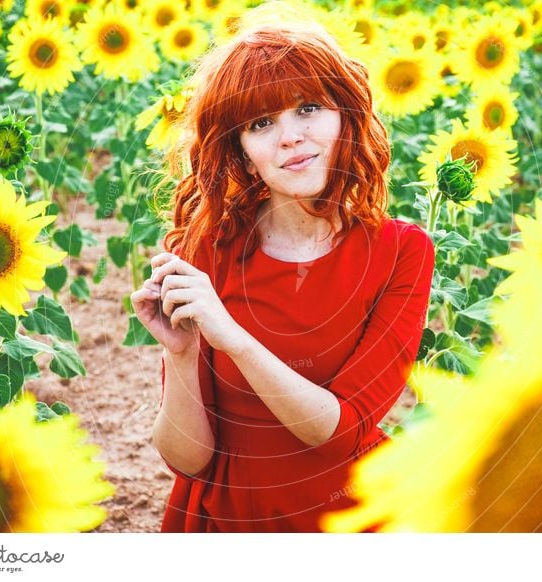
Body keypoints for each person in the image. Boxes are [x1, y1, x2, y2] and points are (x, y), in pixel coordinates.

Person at [130, 15, 435, 533]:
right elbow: (188, 460)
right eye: (261, 123)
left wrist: (232, 337)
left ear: (345, 118)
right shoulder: (206, 250)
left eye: (308, 108)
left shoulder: (401, 252)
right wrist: (179, 355)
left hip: (349, 523)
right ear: (243, 154)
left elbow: (337, 433)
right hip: (224, 525)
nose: (290, 138)